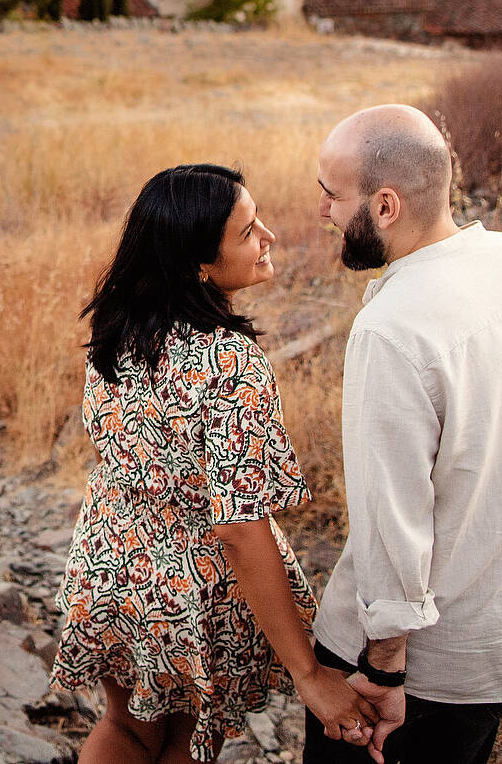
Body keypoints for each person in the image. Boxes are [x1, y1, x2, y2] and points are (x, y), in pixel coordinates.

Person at [51, 164, 380, 763]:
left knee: (125, 727)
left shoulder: (121, 328)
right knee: (186, 741)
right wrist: (308, 674)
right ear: (197, 265)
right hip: (187, 586)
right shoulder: (229, 362)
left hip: (109, 563)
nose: (268, 237)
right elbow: (238, 527)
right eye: (248, 231)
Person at [307, 106, 502, 764]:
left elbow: (391, 522)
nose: (323, 212)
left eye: (332, 195)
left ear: (386, 205)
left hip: (420, 667)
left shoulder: (393, 327)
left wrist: (385, 668)